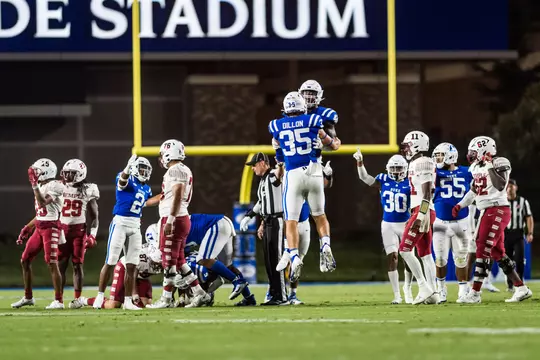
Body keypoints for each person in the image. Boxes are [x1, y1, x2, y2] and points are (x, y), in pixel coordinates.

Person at [268, 91, 340, 283]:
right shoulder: (314, 120)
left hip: (293, 174)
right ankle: (325, 245)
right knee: (320, 215)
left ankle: (293, 256)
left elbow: (279, 155)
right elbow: (330, 143)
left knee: (290, 221)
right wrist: (330, 143)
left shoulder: (275, 125)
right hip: (315, 171)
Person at [453, 136, 532, 303]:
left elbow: (500, 185)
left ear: (484, 151)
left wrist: (489, 165)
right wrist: (460, 205)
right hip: (486, 210)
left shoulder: (499, 162)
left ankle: (475, 293)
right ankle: (521, 288)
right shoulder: (475, 167)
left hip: (497, 209)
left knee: (482, 247)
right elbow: (474, 191)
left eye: (474, 152)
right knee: (497, 252)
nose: (471, 155)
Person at [147, 139, 210, 309]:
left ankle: (166, 299)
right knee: (180, 260)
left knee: (169, 261)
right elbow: (166, 195)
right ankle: (200, 293)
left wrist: (171, 219)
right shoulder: (182, 170)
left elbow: (177, 194)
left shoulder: (175, 171)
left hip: (175, 218)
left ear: (169, 153)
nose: (161, 158)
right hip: (181, 217)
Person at [93, 155, 153, 310]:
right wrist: (127, 167)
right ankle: (99, 296)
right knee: (111, 260)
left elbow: (144, 203)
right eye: (141, 169)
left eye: (146, 170)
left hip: (135, 226)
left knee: (132, 265)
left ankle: (127, 301)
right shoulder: (125, 177)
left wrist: (163, 197)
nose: (144, 172)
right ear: (133, 168)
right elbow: (122, 181)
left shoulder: (146, 188)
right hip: (120, 223)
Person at [353, 151, 413, 304]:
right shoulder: (383, 179)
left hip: (405, 223)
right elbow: (365, 178)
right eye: (393, 168)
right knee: (392, 257)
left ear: (405, 169)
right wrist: (360, 162)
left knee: (408, 258)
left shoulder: (410, 182)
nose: (395, 171)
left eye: (398, 168)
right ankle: (397, 295)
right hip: (387, 224)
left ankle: (408, 289)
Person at [12, 159, 66, 309]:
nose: (35, 174)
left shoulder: (55, 185)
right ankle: (28, 297)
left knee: (51, 262)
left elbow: (43, 203)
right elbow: (40, 213)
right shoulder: (41, 186)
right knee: (25, 260)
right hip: (40, 227)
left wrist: (34, 185)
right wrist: (28, 227)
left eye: (38, 171)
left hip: (51, 227)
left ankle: (59, 300)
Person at [240, 152, 288, 305]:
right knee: (269, 261)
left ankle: (282, 296)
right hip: (267, 222)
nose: (253, 168)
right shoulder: (262, 181)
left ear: (262, 163)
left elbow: (280, 174)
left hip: (277, 221)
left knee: (277, 259)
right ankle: (274, 294)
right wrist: (250, 216)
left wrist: (280, 163)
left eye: (254, 165)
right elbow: (262, 203)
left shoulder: (273, 174)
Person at [398, 131, 438, 305]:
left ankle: (423, 287)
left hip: (423, 210)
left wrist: (420, 215)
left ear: (416, 145)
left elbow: (428, 192)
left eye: (407, 145)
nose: (405, 149)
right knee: (425, 254)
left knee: (404, 250)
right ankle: (434, 292)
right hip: (422, 209)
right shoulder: (416, 163)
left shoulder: (423, 162)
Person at [431, 143, 472, 302]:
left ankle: (463, 289)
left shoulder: (467, 171)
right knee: (440, 258)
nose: (438, 158)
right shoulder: (435, 173)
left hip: (461, 222)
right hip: (440, 222)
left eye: (440, 155)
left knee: (461, 258)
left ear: (451, 155)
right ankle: (441, 289)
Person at [57, 159, 100, 309]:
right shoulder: (59, 186)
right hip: (62, 229)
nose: (67, 176)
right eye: (66, 172)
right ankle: (58, 299)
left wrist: (92, 235)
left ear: (80, 174)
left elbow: (94, 216)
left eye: (71, 173)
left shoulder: (89, 189)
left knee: (77, 265)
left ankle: (77, 298)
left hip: (79, 231)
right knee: (60, 265)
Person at [82, 239, 162, 309]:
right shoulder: (140, 258)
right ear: (149, 257)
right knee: (113, 304)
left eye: (159, 264)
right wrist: (134, 293)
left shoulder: (167, 261)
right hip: (125, 270)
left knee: (145, 303)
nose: (156, 266)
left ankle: (125, 300)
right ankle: (84, 301)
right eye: (154, 262)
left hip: (142, 276)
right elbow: (133, 274)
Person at [504, 179, 534, 292]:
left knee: (520, 259)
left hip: (518, 234)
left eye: (512, 186)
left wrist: (530, 233)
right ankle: (510, 284)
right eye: (508, 186)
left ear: (516, 187)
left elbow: (529, 217)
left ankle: (520, 283)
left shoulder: (522, 201)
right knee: (507, 261)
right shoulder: (502, 202)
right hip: (505, 234)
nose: (510, 189)